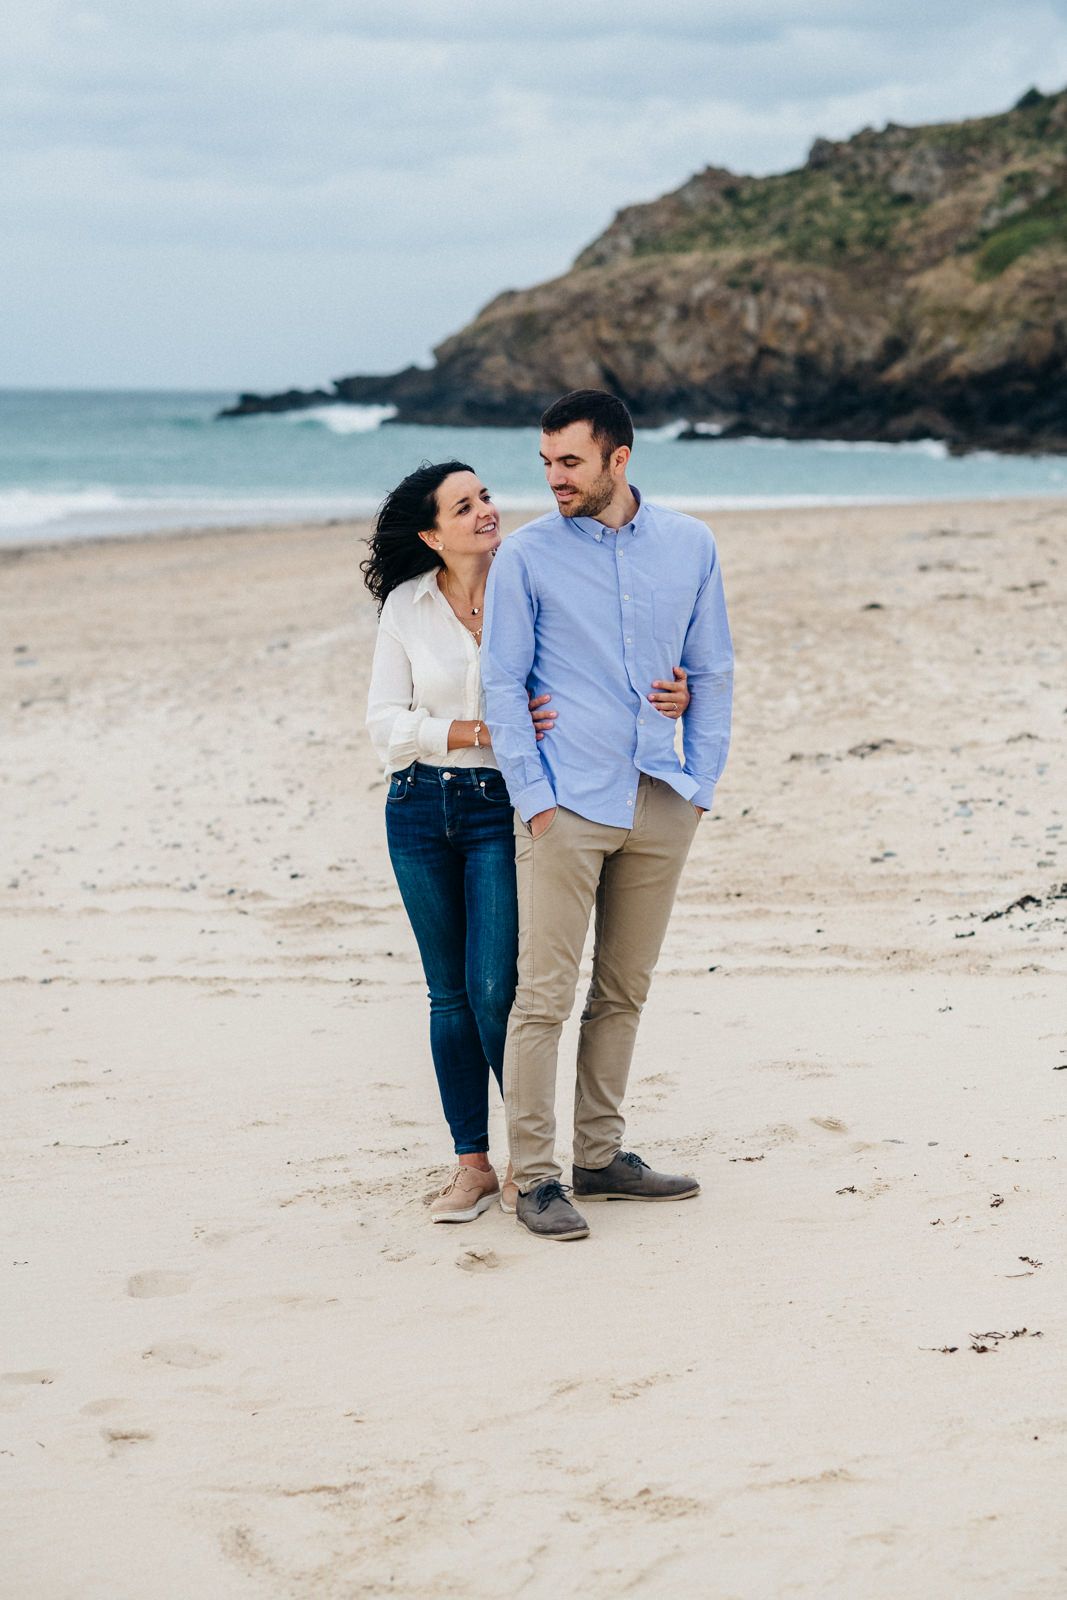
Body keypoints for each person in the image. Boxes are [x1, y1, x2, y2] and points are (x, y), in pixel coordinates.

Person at [363, 460, 691, 1222]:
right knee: (448, 995)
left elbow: (608, 655)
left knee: (497, 990)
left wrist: (677, 691)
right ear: (430, 533)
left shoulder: (534, 572)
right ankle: (472, 1165)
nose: (486, 511)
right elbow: (384, 721)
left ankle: (531, 1161)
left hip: (503, 804)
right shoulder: (407, 607)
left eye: (484, 497)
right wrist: (472, 730)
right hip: (417, 805)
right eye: (464, 505)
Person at [481, 391, 734, 1241]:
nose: (553, 478)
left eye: (569, 462)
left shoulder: (690, 544)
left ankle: (599, 1157)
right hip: (567, 805)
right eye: (545, 463)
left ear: (617, 459)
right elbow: (502, 686)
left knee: (624, 990)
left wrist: (699, 781)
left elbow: (713, 670)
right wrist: (535, 800)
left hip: (661, 799)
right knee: (542, 999)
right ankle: (538, 1179)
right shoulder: (525, 556)